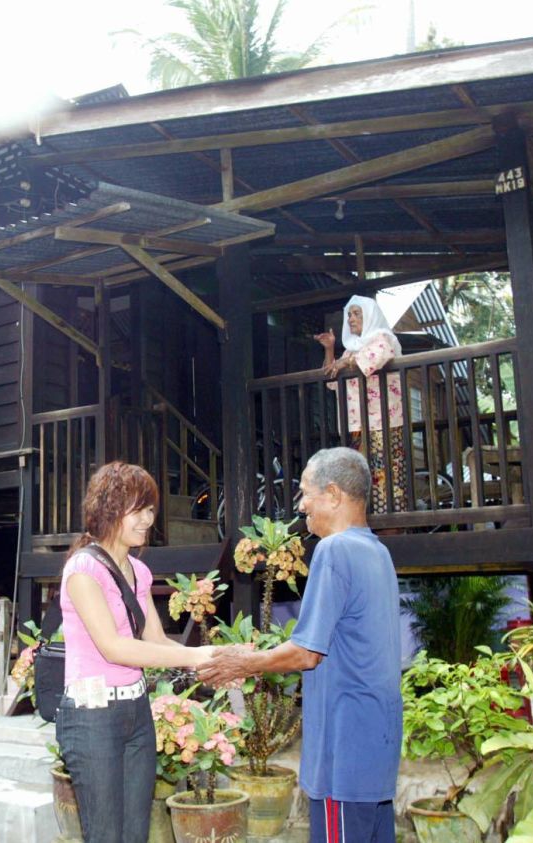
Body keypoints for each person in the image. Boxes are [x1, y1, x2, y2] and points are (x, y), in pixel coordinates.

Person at [199, 448, 402, 843]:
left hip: (342, 752)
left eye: (306, 493)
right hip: (376, 747)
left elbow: (306, 652)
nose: (301, 504)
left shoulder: (334, 549)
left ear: (333, 494)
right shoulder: (379, 553)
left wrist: (244, 662)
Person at [57, 461, 215, 843]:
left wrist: (214, 654)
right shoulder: (83, 569)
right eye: (138, 509)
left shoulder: (139, 572)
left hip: (136, 712)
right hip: (92, 716)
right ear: (109, 508)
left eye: (150, 510)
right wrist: (195, 658)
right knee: (107, 835)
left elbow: (155, 640)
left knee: (135, 833)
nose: (147, 520)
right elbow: (115, 648)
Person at [316, 295, 409, 513]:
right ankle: (365, 520)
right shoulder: (351, 350)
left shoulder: (382, 338)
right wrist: (330, 349)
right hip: (356, 424)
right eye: (349, 314)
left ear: (370, 316)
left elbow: (375, 357)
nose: (350, 319)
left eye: (356, 313)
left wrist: (344, 362)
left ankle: (391, 525)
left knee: (385, 475)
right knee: (359, 476)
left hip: (382, 422)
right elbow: (331, 381)